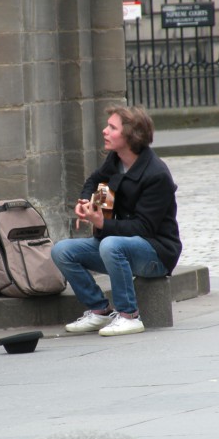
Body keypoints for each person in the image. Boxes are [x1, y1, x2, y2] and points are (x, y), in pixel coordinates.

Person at [51, 105, 182, 336]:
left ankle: (129, 316)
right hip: (119, 246)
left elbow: (144, 228)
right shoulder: (115, 159)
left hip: (156, 252)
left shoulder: (156, 174)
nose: (104, 131)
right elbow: (96, 181)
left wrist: (102, 223)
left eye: (112, 127)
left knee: (111, 244)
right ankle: (100, 310)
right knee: (62, 250)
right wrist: (86, 202)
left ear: (131, 136)